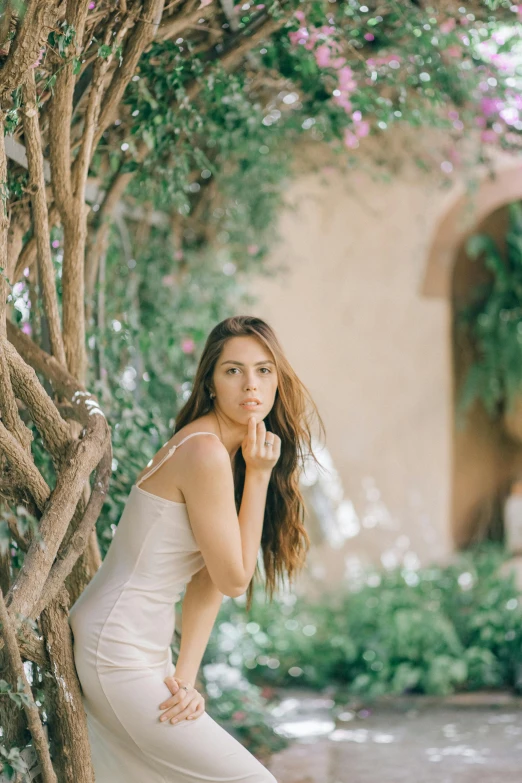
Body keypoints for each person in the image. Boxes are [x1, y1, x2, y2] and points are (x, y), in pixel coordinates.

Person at [68, 315, 322, 782]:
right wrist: (260, 475)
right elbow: (234, 579)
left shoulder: (223, 452)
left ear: (277, 381)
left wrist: (183, 678)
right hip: (116, 646)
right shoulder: (205, 452)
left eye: (264, 370)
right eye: (233, 370)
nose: (251, 384)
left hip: (139, 643)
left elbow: (207, 579)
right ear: (210, 381)